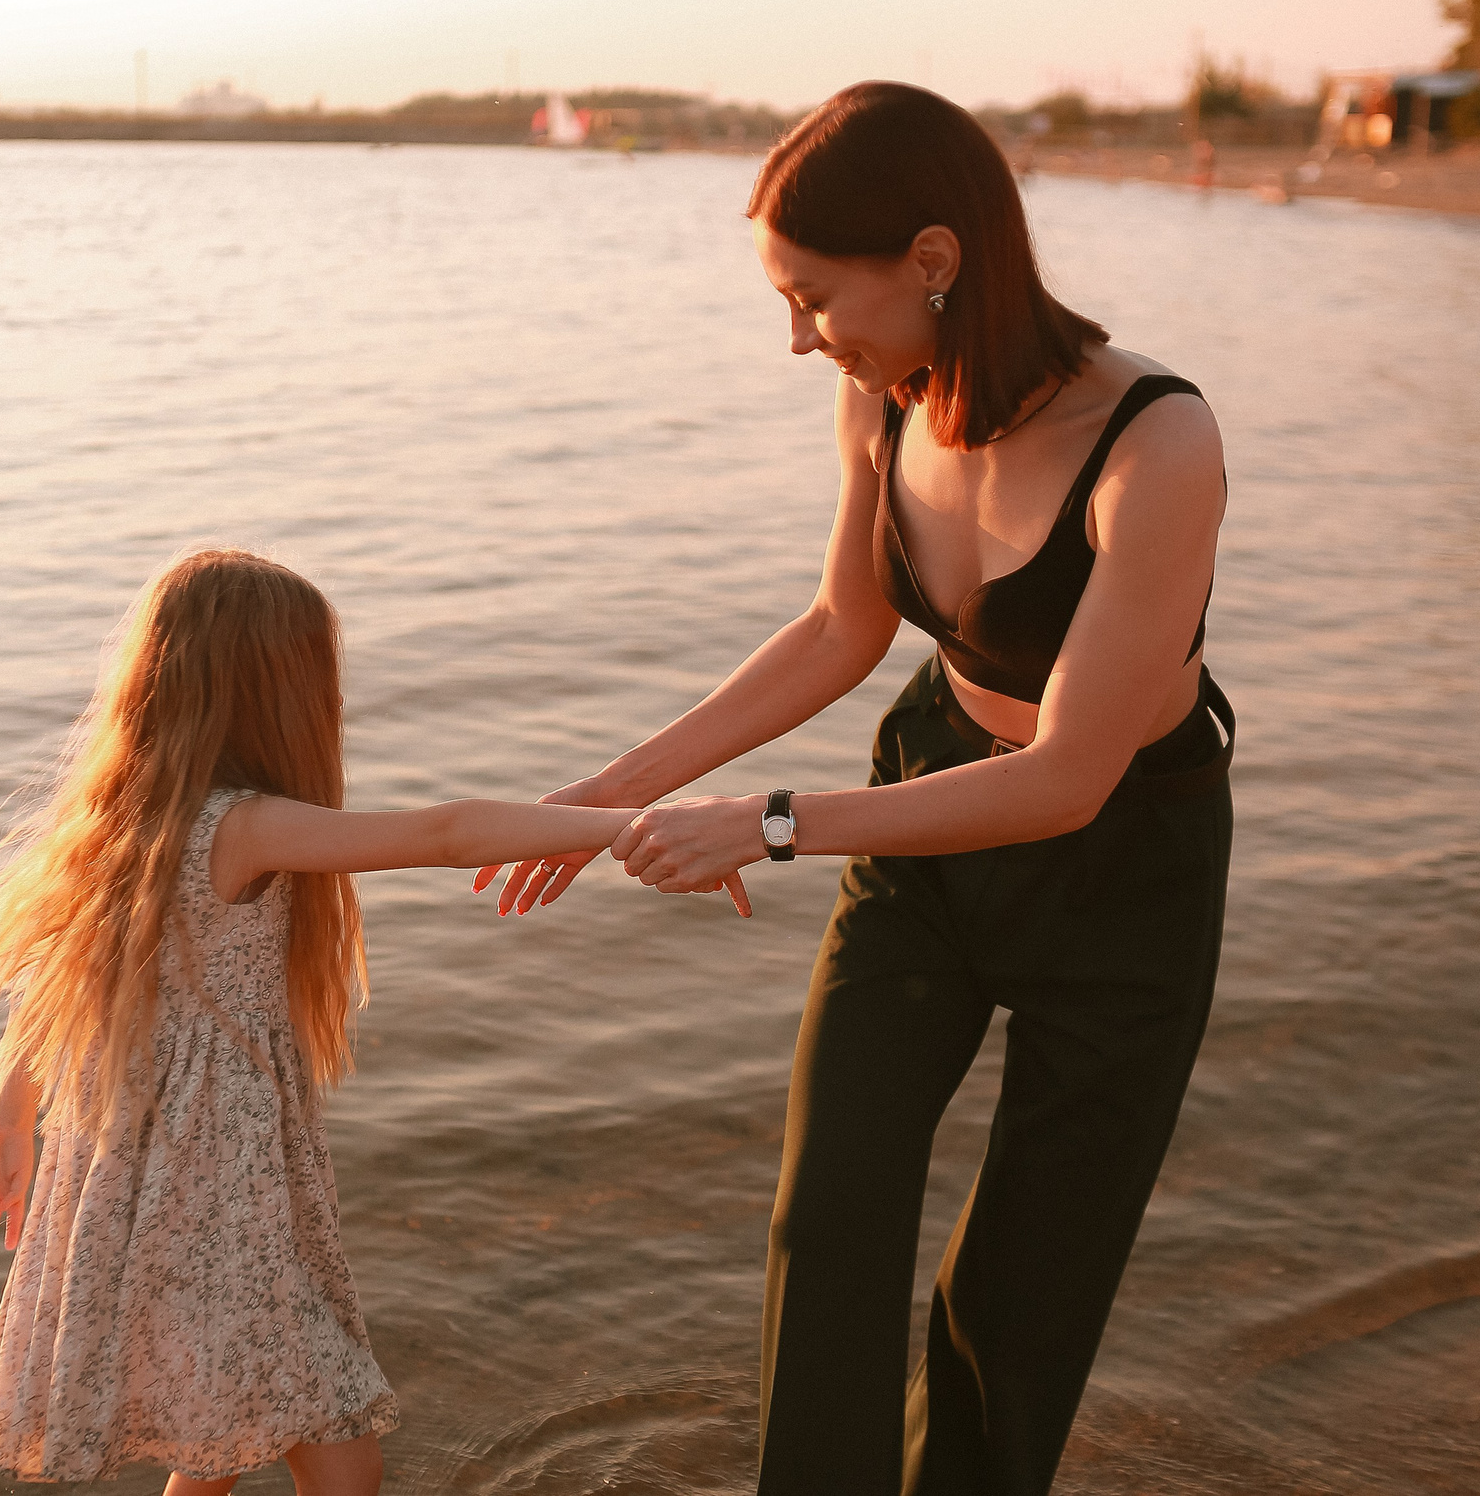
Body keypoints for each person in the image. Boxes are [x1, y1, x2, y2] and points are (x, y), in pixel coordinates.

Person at [478, 82, 1235, 1495]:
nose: (799, 338)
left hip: (1129, 859)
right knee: (830, 1211)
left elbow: (1070, 775)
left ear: (935, 260)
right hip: (928, 795)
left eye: (815, 298)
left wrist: (766, 825)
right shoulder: (881, 407)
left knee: (1021, 1286)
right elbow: (845, 627)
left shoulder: (1157, 442)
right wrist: (609, 794)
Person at [0, 548, 727, 1495]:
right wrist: (628, 827)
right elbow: (447, 832)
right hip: (218, 1172)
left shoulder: (127, 819)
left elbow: (61, 980)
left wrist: (11, 1123)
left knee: (236, 1418)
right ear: (273, 692)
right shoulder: (244, 825)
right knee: (330, 1430)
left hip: (168, 1170)